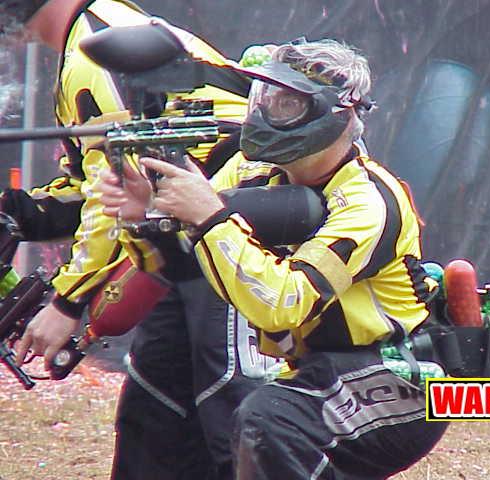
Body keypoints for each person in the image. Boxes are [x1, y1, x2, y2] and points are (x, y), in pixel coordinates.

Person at [101, 38, 449, 479]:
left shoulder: (368, 202)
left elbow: (283, 304)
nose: (265, 113)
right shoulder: (252, 173)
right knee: (211, 416)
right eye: (264, 97)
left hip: (400, 379)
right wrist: (147, 214)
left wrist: (209, 217)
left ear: (335, 114)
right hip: (320, 370)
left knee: (270, 420)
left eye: (286, 104)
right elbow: (186, 263)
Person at [2, 1, 262, 478]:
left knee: (234, 426)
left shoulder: (96, 47)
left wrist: (66, 301)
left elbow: (119, 185)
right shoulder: (95, 33)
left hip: (233, 238)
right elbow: (101, 186)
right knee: (154, 423)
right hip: (187, 248)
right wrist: (20, 210)